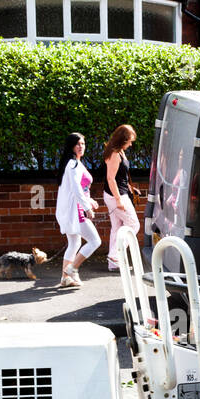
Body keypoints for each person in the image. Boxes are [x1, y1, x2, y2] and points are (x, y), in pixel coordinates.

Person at [54, 132, 100, 288]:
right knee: (95, 241)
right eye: (78, 144)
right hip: (76, 211)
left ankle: (64, 278)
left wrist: (89, 200)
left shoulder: (73, 163)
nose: (81, 147)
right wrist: (87, 207)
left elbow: (79, 189)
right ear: (71, 146)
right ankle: (72, 268)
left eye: (83, 144)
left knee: (74, 243)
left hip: (73, 209)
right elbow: (76, 189)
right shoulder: (73, 164)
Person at [102, 123, 140, 270]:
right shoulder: (114, 154)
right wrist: (118, 200)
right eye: (129, 141)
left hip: (118, 193)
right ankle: (115, 256)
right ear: (122, 139)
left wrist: (131, 188)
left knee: (117, 227)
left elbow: (119, 177)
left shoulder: (119, 152)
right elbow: (110, 178)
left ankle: (113, 264)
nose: (130, 144)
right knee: (133, 224)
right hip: (116, 196)